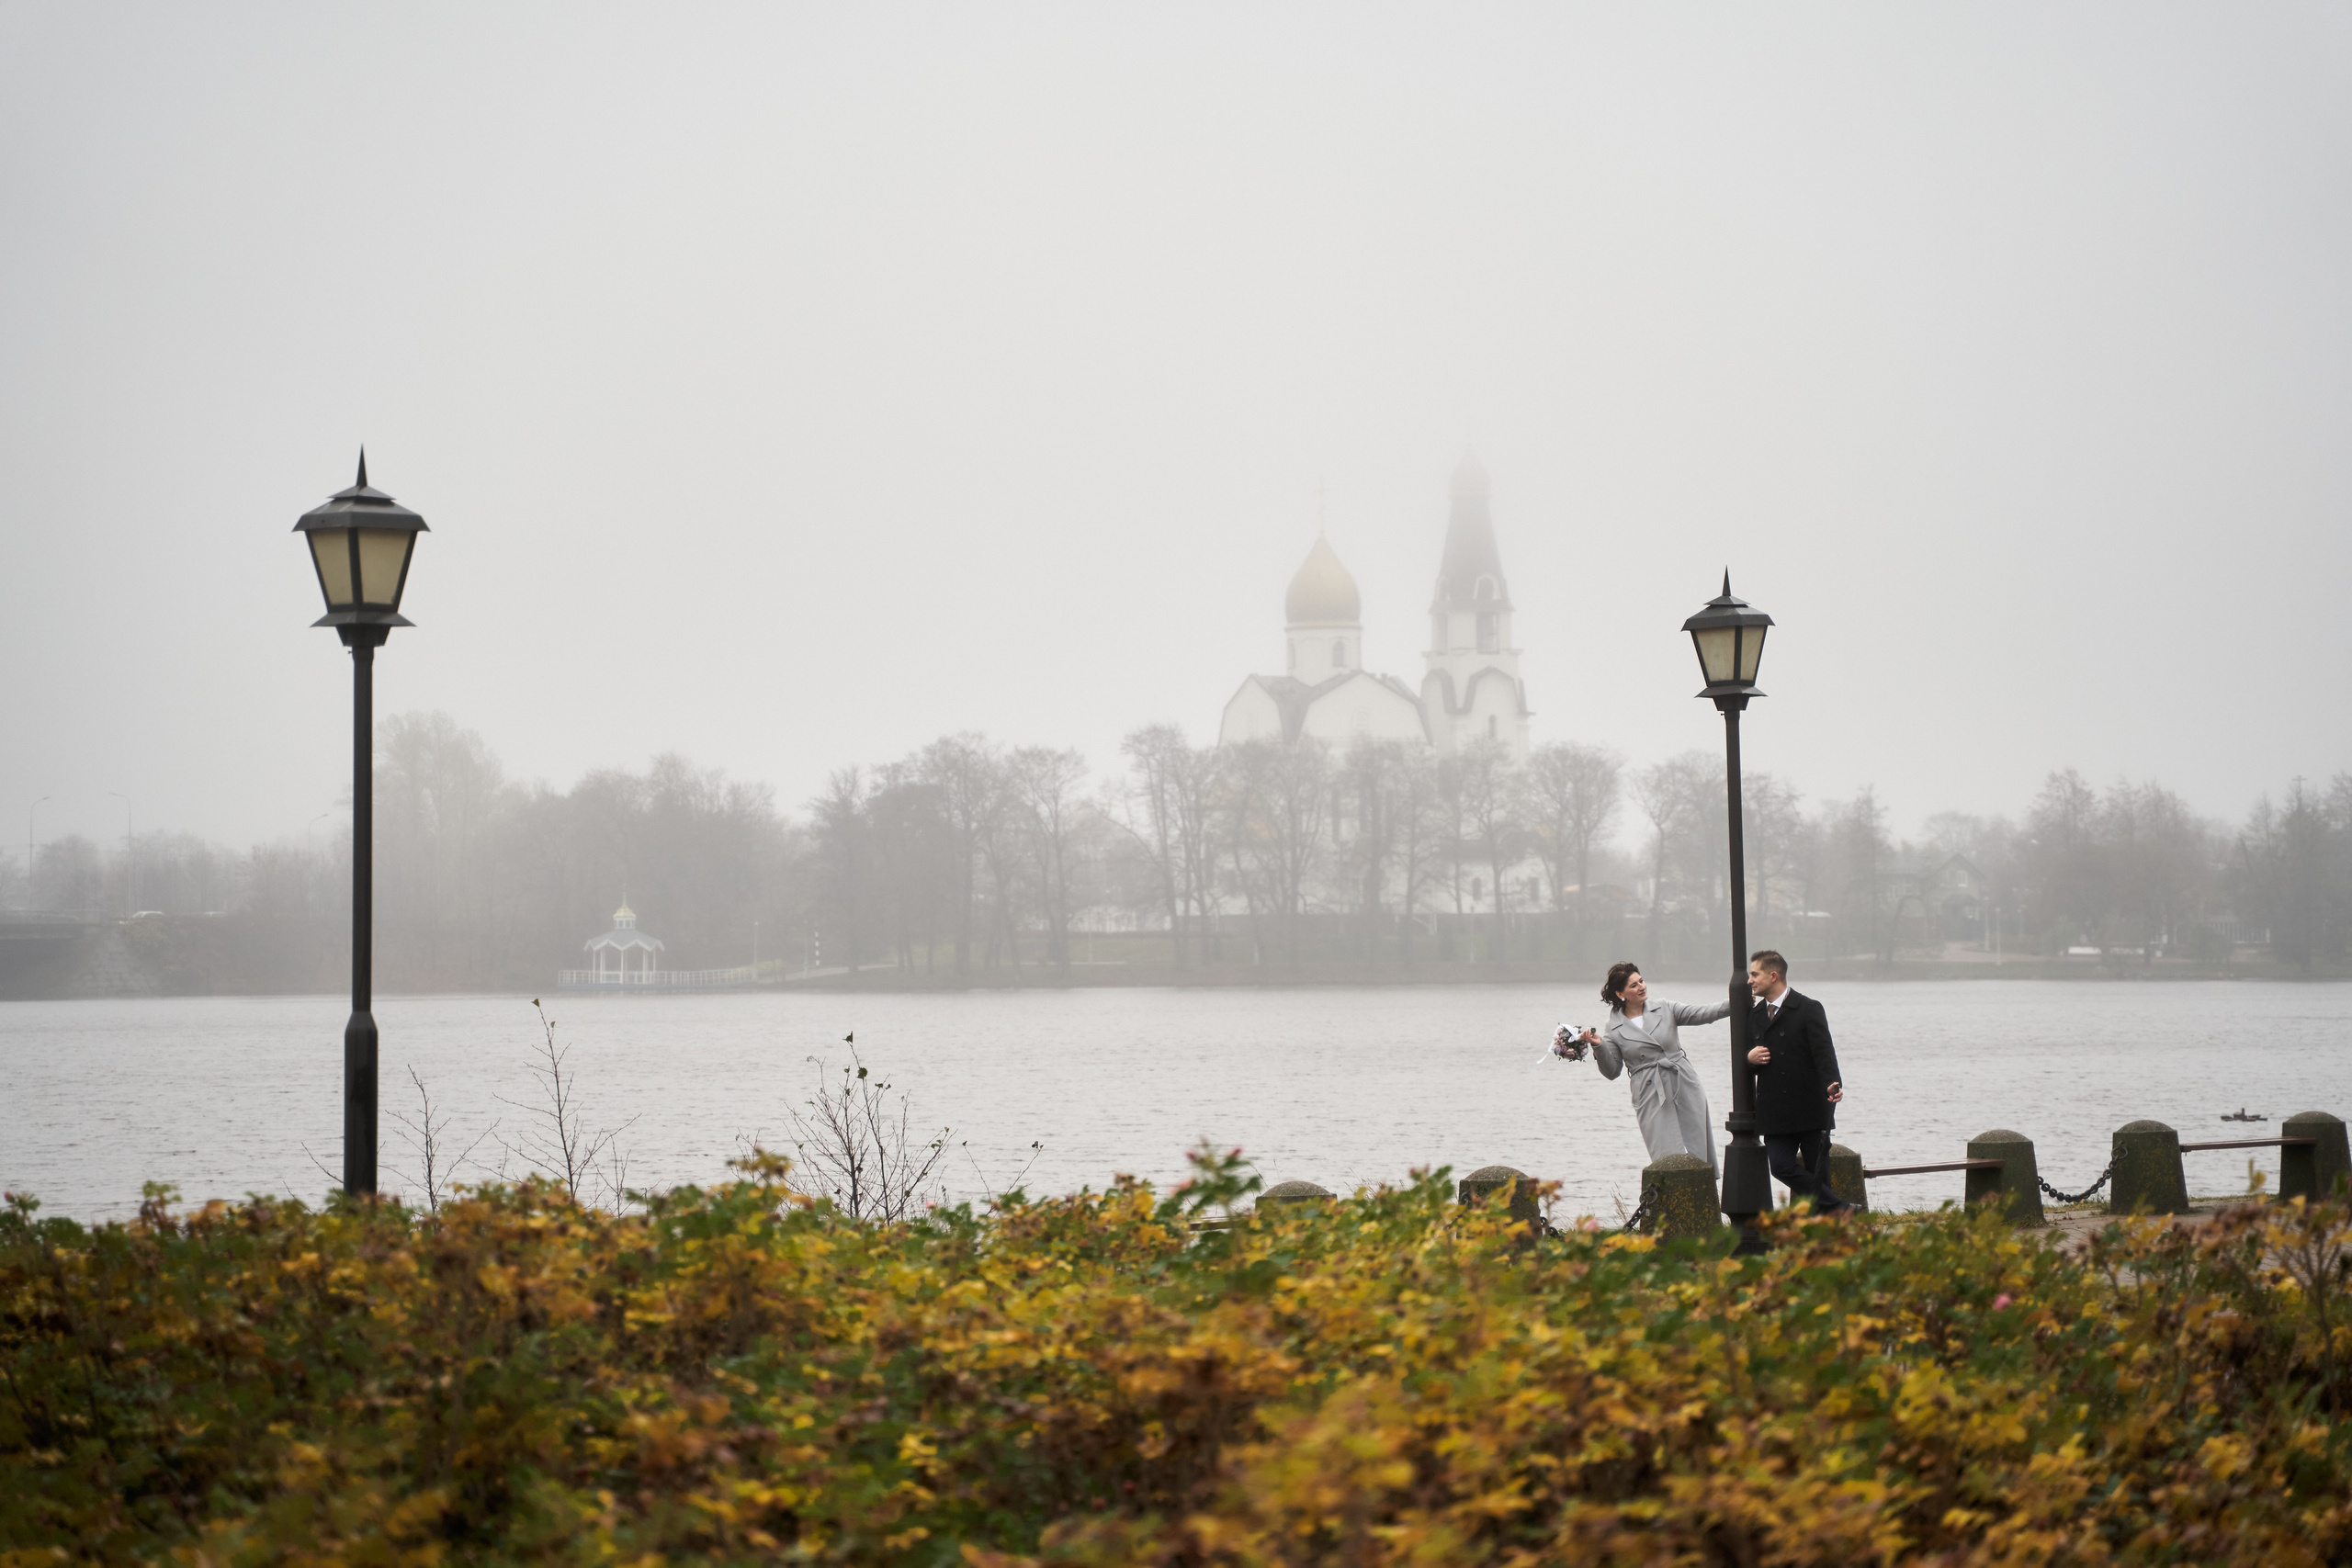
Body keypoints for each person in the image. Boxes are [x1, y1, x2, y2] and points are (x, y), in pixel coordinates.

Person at [1560, 962, 1731, 1176]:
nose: (1641, 987)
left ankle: (1703, 1192)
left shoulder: (1665, 1008)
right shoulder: (1613, 1028)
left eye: (1641, 981)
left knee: (1697, 1149)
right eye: (1634, 985)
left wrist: (1736, 1001)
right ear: (1620, 994)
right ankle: (1671, 1195)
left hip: (1683, 1083)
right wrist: (1598, 1045)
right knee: (1666, 1156)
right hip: (1649, 1092)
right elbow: (1612, 1072)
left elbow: (1704, 1013)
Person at [1743, 950, 1851, 1214]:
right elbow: (1747, 1059)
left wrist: (1832, 1082)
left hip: (1810, 1106)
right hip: (1775, 1110)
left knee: (1818, 1172)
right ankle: (1841, 1208)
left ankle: (1825, 1228)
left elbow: (1824, 1052)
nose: (1749, 981)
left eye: (1754, 974)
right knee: (1780, 1166)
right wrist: (1749, 1058)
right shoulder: (1755, 1015)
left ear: (1773, 976)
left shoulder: (1808, 1008)